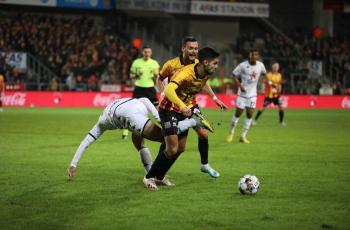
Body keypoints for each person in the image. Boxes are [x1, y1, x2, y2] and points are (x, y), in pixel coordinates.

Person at [66, 97, 211, 181]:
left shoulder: (102, 123)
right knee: (139, 142)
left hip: (130, 115)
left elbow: (86, 141)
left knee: (167, 138)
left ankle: (193, 122)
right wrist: (156, 116)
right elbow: (145, 99)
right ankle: (152, 175)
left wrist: (73, 164)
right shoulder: (107, 116)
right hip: (137, 104)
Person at [143, 47, 219, 190]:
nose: (216, 66)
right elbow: (168, 89)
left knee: (180, 148)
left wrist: (209, 100)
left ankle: (160, 177)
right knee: (172, 148)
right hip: (169, 108)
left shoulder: (205, 74)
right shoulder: (185, 73)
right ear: (206, 62)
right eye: (215, 63)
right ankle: (148, 177)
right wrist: (182, 105)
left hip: (185, 109)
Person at [156, 36, 227, 178]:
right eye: (190, 48)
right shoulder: (171, 64)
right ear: (183, 48)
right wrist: (163, 95)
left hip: (191, 104)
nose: (194, 51)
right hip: (175, 105)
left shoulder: (200, 64)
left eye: (196, 48)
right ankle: (157, 169)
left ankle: (205, 165)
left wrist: (214, 98)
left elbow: (203, 82)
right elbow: (159, 79)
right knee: (173, 144)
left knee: (203, 134)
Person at [226, 50, 267, 144]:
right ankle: (231, 133)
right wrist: (240, 86)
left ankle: (243, 136)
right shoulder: (242, 65)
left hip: (253, 95)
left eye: (256, 55)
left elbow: (265, 74)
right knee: (238, 113)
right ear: (249, 55)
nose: (253, 56)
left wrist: (263, 85)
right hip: (242, 94)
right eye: (252, 54)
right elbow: (234, 75)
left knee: (250, 114)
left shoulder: (260, 65)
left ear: (258, 56)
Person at [121, 46, 160, 140]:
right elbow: (131, 75)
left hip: (150, 88)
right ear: (142, 52)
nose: (147, 53)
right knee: (131, 109)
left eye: (148, 52)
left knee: (157, 108)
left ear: (151, 53)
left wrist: (156, 75)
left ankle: (163, 126)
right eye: (145, 51)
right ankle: (125, 131)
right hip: (139, 88)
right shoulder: (136, 62)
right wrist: (137, 74)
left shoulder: (154, 63)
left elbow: (157, 76)